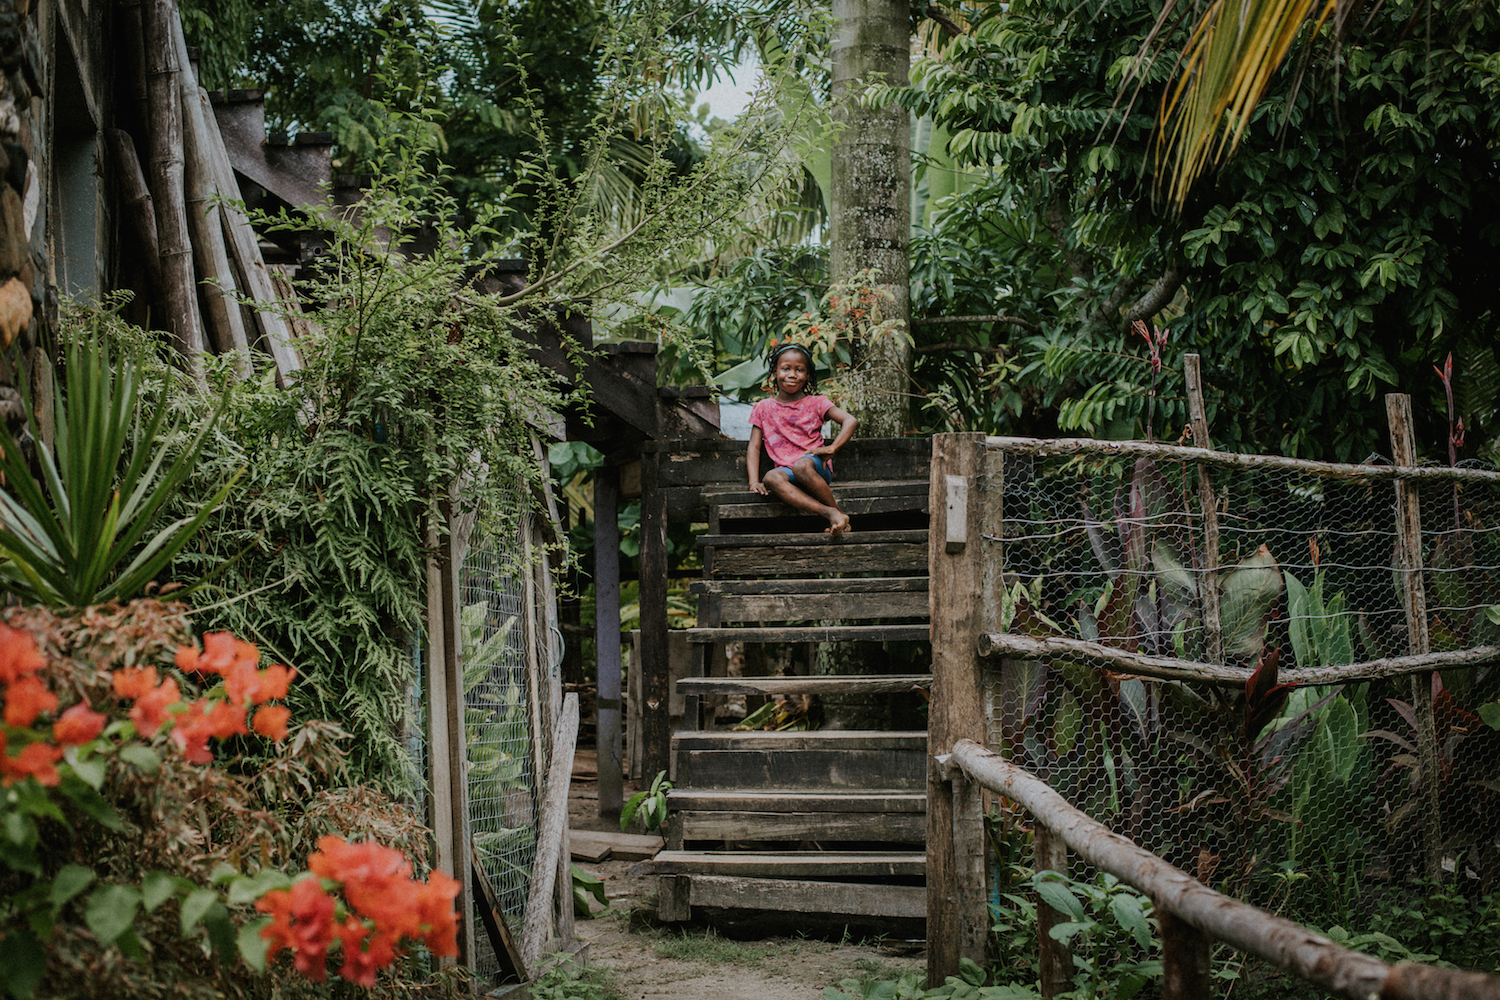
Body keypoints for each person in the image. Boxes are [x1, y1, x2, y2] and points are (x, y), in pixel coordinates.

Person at [747, 343, 858, 536]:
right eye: (786, 369)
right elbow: (754, 446)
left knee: (801, 466)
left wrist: (832, 448)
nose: (792, 374)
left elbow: (850, 420)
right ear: (775, 372)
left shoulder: (817, 403)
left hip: (814, 468)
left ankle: (837, 514)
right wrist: (753, 482)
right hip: (787, 472)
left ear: (807, 375)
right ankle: (831, 512)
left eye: (800, 370)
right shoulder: (763, 407)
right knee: (771, 477)